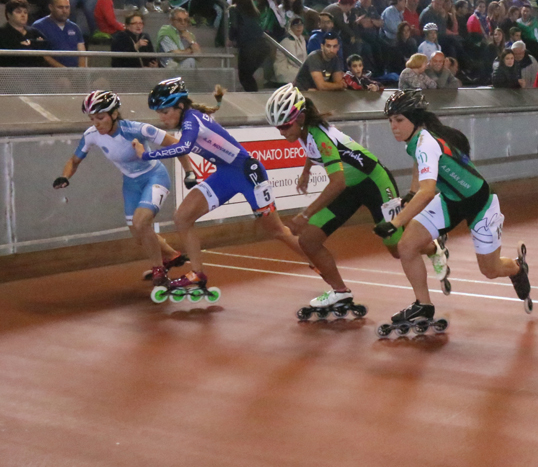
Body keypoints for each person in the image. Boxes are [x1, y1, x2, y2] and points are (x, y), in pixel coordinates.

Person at [265, 85, 441, 318]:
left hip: (374, 181)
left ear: (301, 118)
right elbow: (312, 151)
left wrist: (305, 214)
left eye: (285, 126)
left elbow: (336, 183)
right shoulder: (304, 130)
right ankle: (340, 291)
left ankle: (433, 247)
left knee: (397, 248)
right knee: (309, 240)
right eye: (278, 127)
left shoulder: (320, 135)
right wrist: (307, 170)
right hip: (350, 186)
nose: (282, 131)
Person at [132, 78, 309, 299]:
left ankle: (318, 261)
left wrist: (146, 155)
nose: (161, 117)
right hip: (226, 174)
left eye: (165, 111)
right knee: (183, 217)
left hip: (248, 174)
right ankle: (197, 274)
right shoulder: (190, 118)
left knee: (276, 231)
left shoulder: (191, 119)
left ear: (180, 105)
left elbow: (184, 147)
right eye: (158, 112)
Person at [374, 90, 532, 335]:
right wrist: (410, 192)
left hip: (479, 203)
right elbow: (419, 166)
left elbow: (426, 193)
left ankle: (516, 267)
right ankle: (423, 305)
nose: (393, 126)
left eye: (399, 120)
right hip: (450, 200)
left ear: (414, 120)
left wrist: (396, 222)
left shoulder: (426, 143)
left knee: (490, 270)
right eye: (390, 121)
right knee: (407, 246)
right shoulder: (417, 140)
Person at [56, 91, 193, 291]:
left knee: (141, 222)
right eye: (92, 119)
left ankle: (158, 270)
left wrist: (189, 172)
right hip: (131, 184)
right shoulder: (91, 135)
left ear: (113, 114)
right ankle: (173, 256)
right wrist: (65, 176)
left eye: (100, 117)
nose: (96, 123)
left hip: (154, 177)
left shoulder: (136, 129)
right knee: (138, 235)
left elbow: (177, 144)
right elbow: (74, 160)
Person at [33, 0, 87, 68]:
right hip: (52, 74)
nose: (64, 11)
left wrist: (81, 71)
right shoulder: (39, 26)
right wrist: (64, 70)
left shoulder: (75, 27)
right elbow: (43, 55)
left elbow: (82, 53)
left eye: (67, 7)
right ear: (51, 7)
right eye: (60, 7)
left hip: (76, 73)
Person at [0, 0, 53, 67]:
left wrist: (29, 43)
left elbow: (47, 46)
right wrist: (35, 44)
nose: (23, 15)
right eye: (18, 12)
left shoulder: (34, 32)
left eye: (25, 12)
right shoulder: (2, 33)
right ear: (9, 14)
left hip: (36, 73)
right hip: (11, 73)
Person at [275, 16, 308, 84]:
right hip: (286, 69)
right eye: (296, 25)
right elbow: (293, 60)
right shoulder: (287, 41)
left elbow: (305, 57)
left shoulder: (302, 39)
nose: (299, 27)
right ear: (291, 27)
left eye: (301, 25)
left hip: (298, 67)